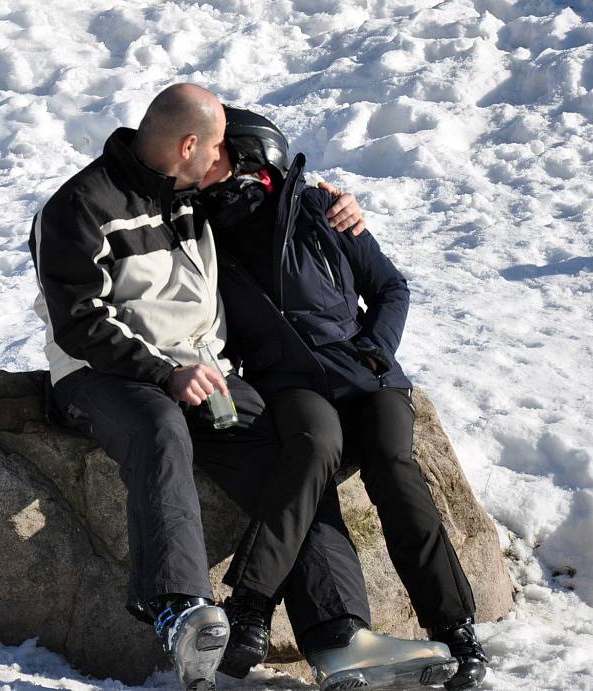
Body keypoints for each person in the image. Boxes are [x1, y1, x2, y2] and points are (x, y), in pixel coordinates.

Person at [28, 83, 454, 691]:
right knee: (160, 425)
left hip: (204, 373)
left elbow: (271, 208)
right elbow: (79, 322)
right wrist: (164, 373)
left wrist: (341, 214)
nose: (226, 159)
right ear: (189, 144)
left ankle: (339, 636)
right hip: (107, 377)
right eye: (219, 146)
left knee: (301, 452)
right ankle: (180, 610)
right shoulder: (78, 207)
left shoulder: (187, 196)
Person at [198, 106, 489, 690]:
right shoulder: (198, 231)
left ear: (250, 156)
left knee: (393, 465)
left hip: (364, 376)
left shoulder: (319, 209)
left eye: (215, 149)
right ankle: (250, 610)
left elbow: (389, 287)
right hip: (291, 383)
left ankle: (455, 629)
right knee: (311, 444)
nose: (203, 158)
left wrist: (376, 351)